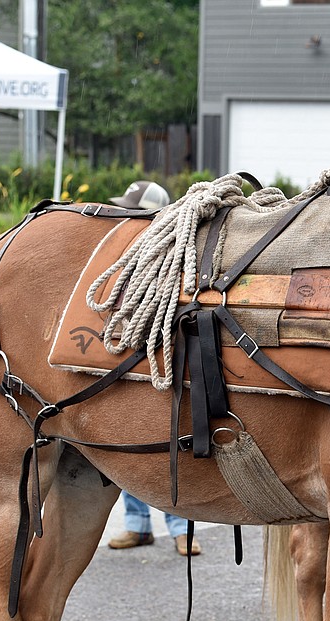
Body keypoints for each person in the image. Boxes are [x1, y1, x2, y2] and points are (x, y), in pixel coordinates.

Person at [104, 180, 201, 556]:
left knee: (173, 441)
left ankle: (181, 528)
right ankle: (138, 525)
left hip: (167, 358)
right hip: (135, 356)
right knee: (130, 443)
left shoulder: (178, 252)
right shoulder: (130, 252)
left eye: (132, 208)